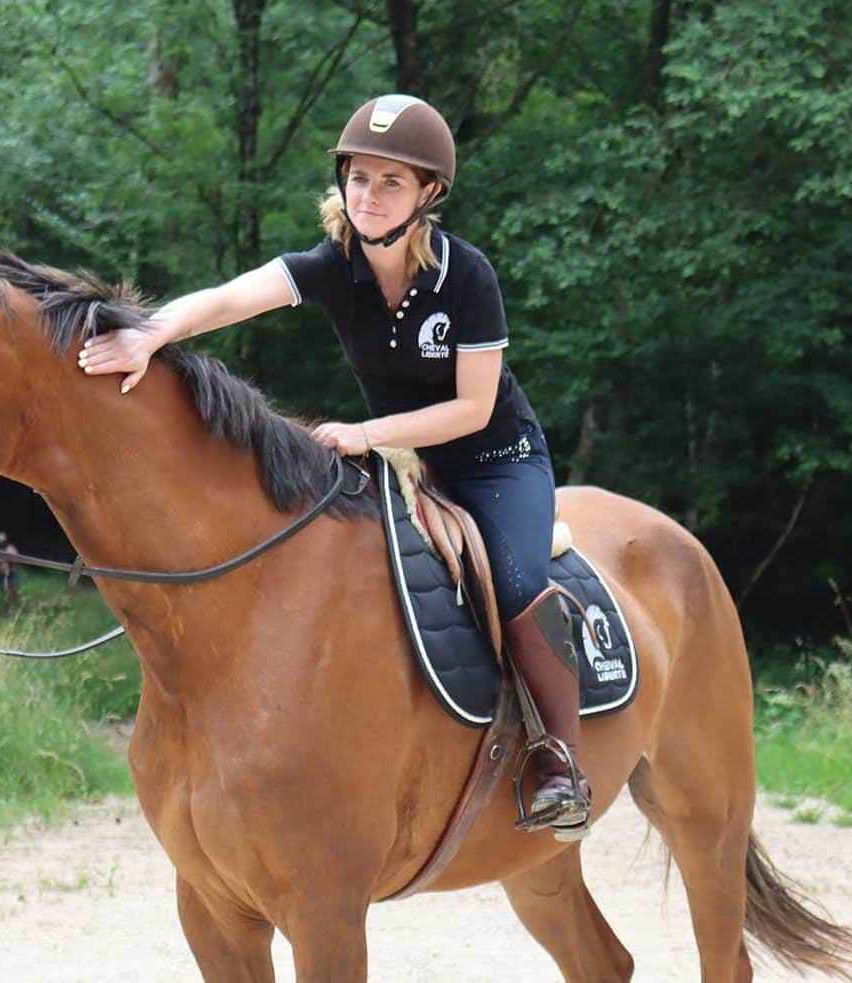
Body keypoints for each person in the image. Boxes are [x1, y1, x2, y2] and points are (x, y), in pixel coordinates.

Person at [78, 95, 589, 838]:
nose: (369, 195)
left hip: (494, 460)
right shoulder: (334, 265)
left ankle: (559, 760)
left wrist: (367, 431)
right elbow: (229, 298)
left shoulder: (468, 277)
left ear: (427, 195)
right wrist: (150, 335)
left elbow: (474, 409)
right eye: (359, 178)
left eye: (391, 182)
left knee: (513, 580)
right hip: (398, 461)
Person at [0, 532, 22, 610]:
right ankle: (7, 610)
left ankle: (19, 608)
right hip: (1, 574)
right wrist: (0, 563)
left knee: (15, 590)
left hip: (12, 573)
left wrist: (8, 562)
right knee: (5, 593)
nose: (4, 543)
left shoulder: (11, 548)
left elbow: (16, 560)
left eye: (4, 541)